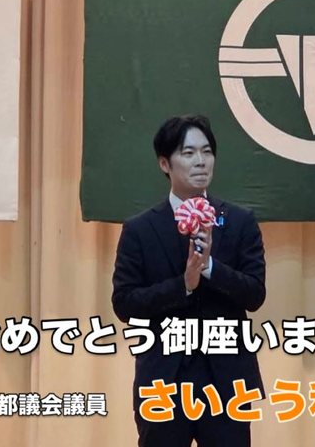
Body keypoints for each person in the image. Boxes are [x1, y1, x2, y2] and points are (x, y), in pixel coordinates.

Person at [111, 114, 266, 447]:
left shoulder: (239, 221)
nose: (200, 161)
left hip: (226, 382)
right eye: (188, 152)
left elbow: (255, 293)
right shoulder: (140, 230)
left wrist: (209, 267)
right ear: (164, 164)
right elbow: (124, 303)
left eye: (207, 152)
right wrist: (184, 284)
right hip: (163, 381)